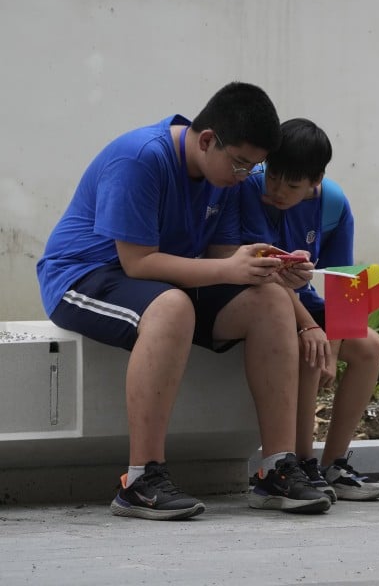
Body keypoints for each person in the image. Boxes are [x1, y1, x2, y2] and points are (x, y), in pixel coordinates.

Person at [36, 82, 332, 520]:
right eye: (240, 164)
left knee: (271, 300)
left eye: (252, 167)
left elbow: (219, 258)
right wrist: (230, 270)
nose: (243, 176)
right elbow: (137, 263)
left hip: (166, 278)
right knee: (174, 306)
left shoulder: (226, 178)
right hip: (86, 275)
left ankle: (275, 469)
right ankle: (140, 480)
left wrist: (272, 267)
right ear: (208, 139)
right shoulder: (141, 157)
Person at [239, 117, 379, 503]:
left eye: (291, 185)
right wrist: (314, 332)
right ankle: (301, 461)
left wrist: (334, 350)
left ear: (315, 180)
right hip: (265, 305)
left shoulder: (333, 203)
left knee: (370, 346)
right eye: (273, 177)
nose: (278, 191)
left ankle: (334, 463)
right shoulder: (250, 191)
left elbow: (346, 281)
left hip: (306, 307)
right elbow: (264, 274)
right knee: (311, 347)